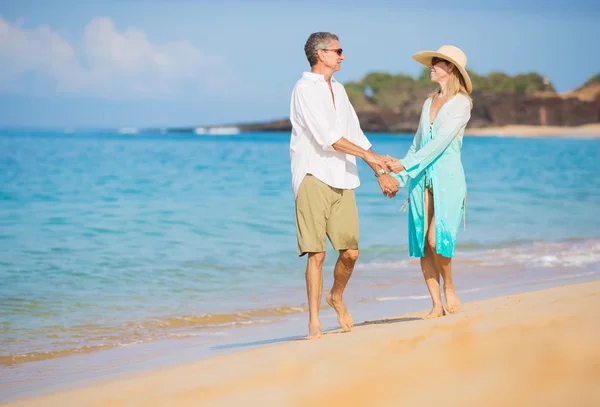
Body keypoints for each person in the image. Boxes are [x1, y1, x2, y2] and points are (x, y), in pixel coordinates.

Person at [290, 32, 399, 339]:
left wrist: (379, 173)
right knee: (317, 253)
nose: (342, 56)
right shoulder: (304, 89)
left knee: (350, 253)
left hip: (343, 177)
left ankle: (336, 296)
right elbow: (328, 138)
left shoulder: (338, 88)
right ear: (320, 54)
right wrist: (371, 156)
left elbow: (356, 134)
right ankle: (313, 321)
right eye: (338, 50)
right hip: (312, 176)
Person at [385, 45, 473, 319]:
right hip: (421, 179)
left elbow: (439, 144)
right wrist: (398, 178)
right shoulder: (427, 103)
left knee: (437, 240)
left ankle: (450, 287)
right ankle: (435, 304)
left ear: (451, 69)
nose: (431, 66)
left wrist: (403, 165)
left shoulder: (461, 103)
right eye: (432, 62)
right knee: (424, 242)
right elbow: (418, 145)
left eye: (437, 63)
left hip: (447, 178)